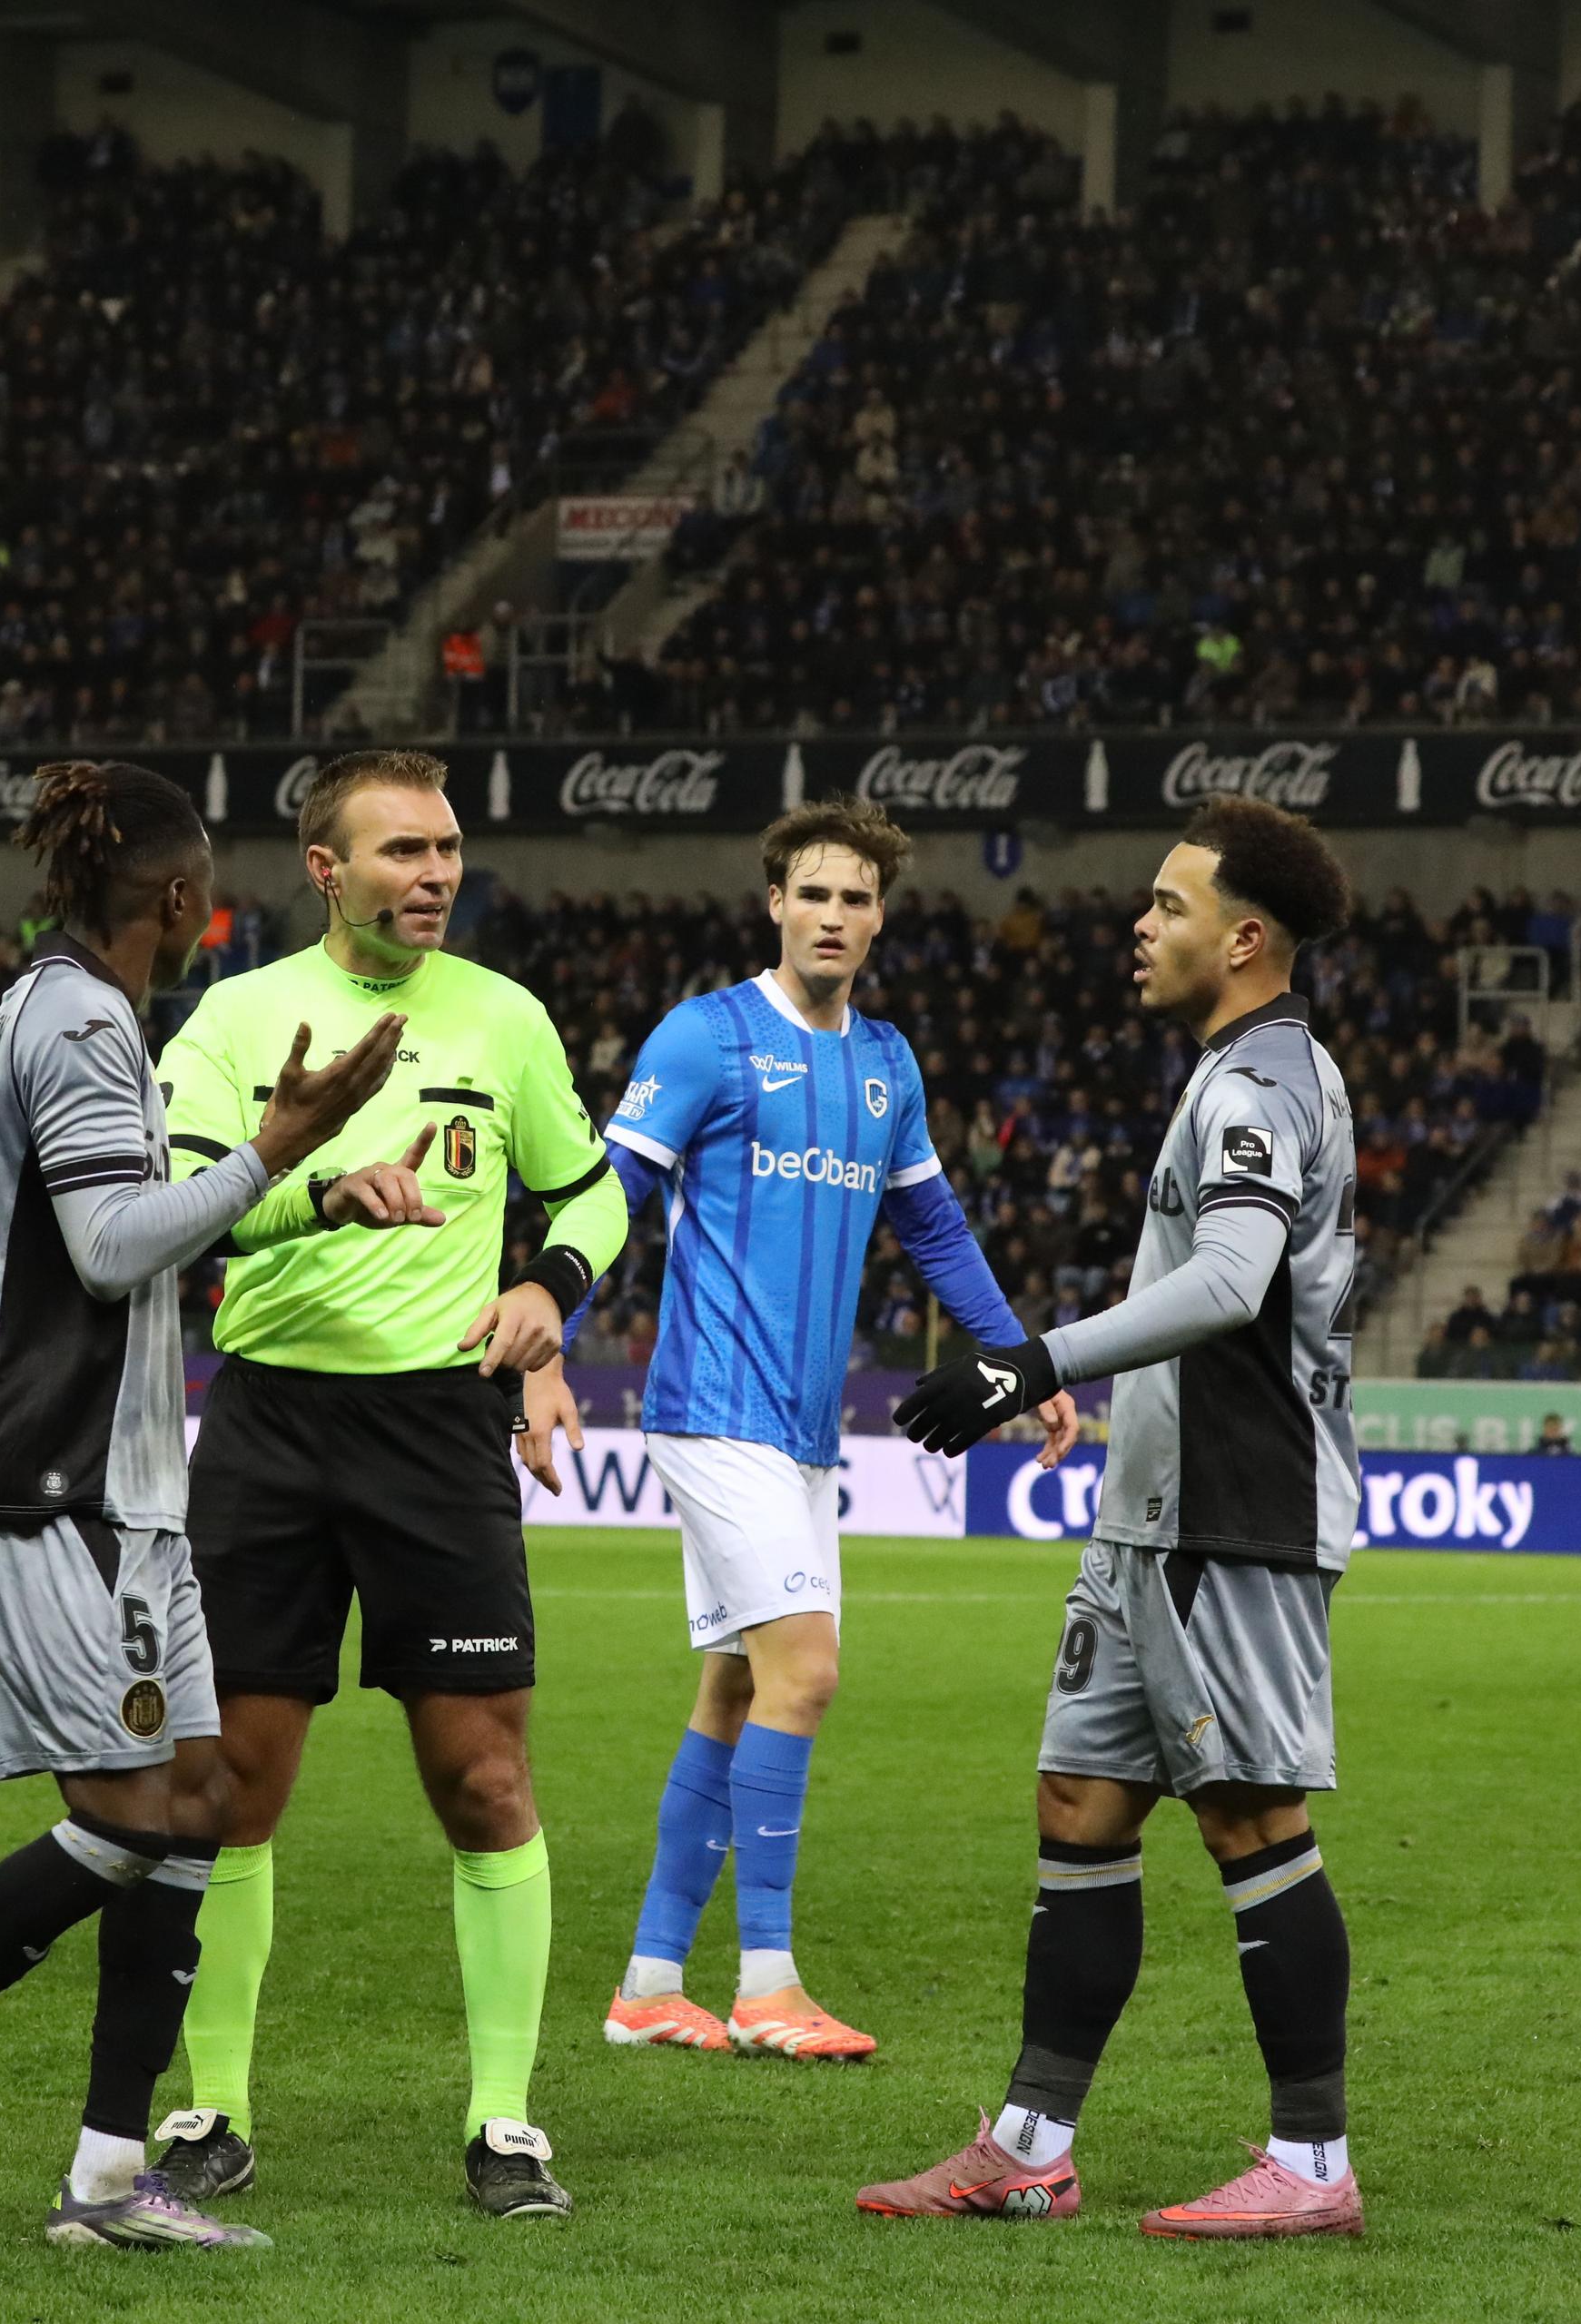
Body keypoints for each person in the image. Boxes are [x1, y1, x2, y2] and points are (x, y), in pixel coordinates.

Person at [0, 760, 432, 2250]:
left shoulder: (87, 1009)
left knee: (198, 1802)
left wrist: (302, 1195)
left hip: (125, 1483)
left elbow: (146, 1228)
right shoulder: (77, 1022)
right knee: (134, 1816)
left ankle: (103, 2179)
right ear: (181, 898)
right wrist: (280, 1144)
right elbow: (112, 1246)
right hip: (42, 1477)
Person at [865, 795, 1369, 2240]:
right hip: (1149, 1517)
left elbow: (1230, 1284)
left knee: (1251, 1815)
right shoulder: (1229, 1070)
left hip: (1236, 1510)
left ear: (1246, 936)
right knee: (1080, 1807)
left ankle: (1313, 2167)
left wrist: (1032, 1358)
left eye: (1168, 904)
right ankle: (1029, 2144)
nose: (1140, 926)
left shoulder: (1263, 1082)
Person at [153, 748, 631, 2221]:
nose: (435, 874)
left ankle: (503, 2125)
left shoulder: (503, 1016)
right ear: (325, 869)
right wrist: (311, 1193)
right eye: (404, 851)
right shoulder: (234, 1022)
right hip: (272, 1427)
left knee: (483, 1780)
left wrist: (553, 1284)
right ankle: (212, 2109)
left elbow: (596, 1187)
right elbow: (170, 1222)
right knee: (229, 1784)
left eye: (447, 850)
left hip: (439, 1429)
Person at [584, 800, 1080, 2063]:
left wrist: (1020, 1363)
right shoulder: (708, 1037)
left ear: (877, 919)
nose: (835, 917)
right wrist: (544, 1330)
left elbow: (937, 1234)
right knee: (806, 1673)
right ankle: (767, 1982)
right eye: (814, 893)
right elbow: (616, 1195)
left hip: (803, 1430)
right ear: (775, 904)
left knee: (739, 1683)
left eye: (857, 899)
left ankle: (649, 1983)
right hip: (711, 1407)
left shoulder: (887, 1066)